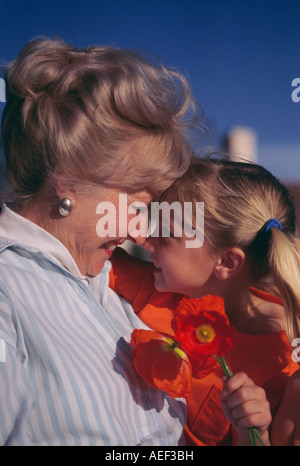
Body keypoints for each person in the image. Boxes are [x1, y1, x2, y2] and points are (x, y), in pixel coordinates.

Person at [0, 37, 200, 445]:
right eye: (138, 202)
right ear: (68, 176)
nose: (141, 234)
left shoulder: (117, 289)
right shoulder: (8, 289)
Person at [110, 157, 300, 446]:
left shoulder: (288, 364)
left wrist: (253, 432)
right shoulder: (154, 288)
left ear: (226, 261)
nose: (147, 241)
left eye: (168, 232)